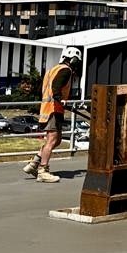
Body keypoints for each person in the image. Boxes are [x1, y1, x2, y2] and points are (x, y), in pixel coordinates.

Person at [23, 47, 81, 183]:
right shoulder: (65, 70)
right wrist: (59, 98)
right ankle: (43, 171)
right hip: (53, 109)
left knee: (58, 139)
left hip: (49, 108)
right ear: (71, 58)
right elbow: (56, 87)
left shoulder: (52, 69)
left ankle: (34, 163)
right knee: (51, 140)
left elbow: (41, 90)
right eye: (76, 61)